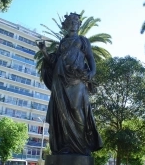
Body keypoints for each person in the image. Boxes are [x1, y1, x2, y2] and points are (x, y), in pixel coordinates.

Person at [36, 13, 103, 156]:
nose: (73, 24)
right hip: (59, 78)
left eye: (76, 22)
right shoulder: (62, 42)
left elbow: (90, 57)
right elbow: (54, 60)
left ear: (79, 25)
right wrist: (45, 52)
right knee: (62, 113)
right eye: (70, 22)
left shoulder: (83, 40)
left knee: (76, 108)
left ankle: (81, 145)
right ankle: (65, 146)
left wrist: (92, 72)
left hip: (77, 77)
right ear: (66, 26)